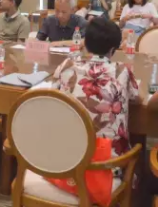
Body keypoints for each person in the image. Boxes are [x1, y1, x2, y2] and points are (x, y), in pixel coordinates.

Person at [54, 18, 138, 180]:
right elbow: (135, 97)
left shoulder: (67, 66)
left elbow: (54, 91)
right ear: (113, 49)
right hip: (108, 166)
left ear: (85, 43)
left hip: (68, 160)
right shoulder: (122, 71)